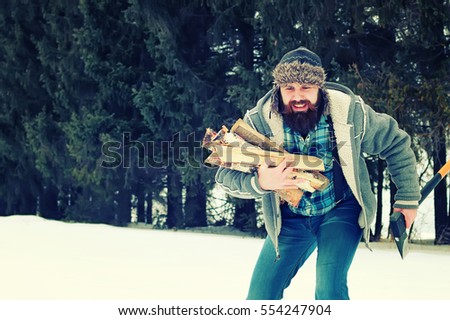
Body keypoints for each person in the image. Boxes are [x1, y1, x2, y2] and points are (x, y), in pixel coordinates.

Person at [215, 46, 421, 300]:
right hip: (290, 218)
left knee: (329, 290)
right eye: (289, 88)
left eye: (306, 88)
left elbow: (395, 143)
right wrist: (261, 182)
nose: (297, 96)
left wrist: (408, 199)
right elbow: (223, 175)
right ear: (278, 89)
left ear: (319, 89)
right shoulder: (260, 121)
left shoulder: (348, 112)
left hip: (340, 210)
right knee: (260, 296)